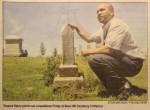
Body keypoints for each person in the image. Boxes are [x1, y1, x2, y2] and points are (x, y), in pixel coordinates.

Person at [68, 3, 145, 100]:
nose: (99, 13)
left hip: (133, 63)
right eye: (97, 11)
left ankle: (125, 87)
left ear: (112, 12)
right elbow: (88, 38)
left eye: (102, 10)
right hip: (123, 60)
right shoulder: (104, 28)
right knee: (94, 60)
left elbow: (109, 49)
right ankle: (116, 88)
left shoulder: (117, 24)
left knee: (95, 59)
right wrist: (77, 28)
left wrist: (88, 51)